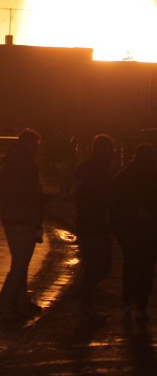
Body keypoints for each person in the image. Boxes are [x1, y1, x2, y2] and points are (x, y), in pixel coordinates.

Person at [0, 128, 47, 320]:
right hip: (24, 220)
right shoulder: (27, 166)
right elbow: (31, 195)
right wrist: (36, 220)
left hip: (10, 219)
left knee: (20, 263)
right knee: (20, 265)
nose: (37, 149)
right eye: (35, 145)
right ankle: (4, 304)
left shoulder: (9, 165)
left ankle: (21, 302)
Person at [70, 134, 116, 322]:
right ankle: (79, 299)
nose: (112, 153)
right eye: (109, 149)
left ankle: (85, 305)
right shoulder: (97, 171)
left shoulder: (88, 169)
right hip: (94, 224)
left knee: (95, 265)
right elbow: (102, 195)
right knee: (101, 264)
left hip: (91, 223)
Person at [111, 143, 157, 323]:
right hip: (148, 230)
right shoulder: (152, 176)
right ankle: (141, 305)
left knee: (130, 265)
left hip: (129, 230)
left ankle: (127, 301)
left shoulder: (123, 176)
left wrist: (117, 228)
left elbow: (115, 203)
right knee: (146, 268)